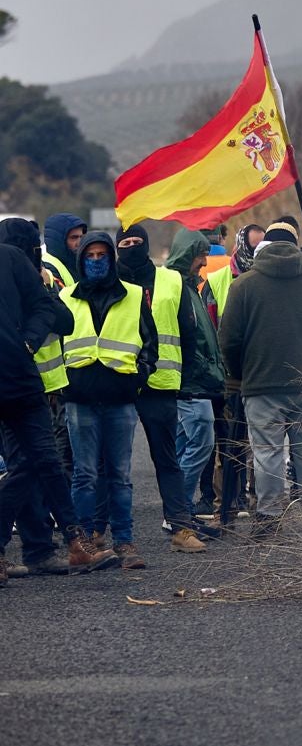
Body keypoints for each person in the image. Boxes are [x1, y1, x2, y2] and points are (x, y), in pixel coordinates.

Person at [0, 237, 118, 582]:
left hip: (20, 380)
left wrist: (29, 342)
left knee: (47, 461)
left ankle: (75, 542)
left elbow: (44, 306)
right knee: (30, 466)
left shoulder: (9, 259)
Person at [219, 219, 302, 540]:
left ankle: (268, 518)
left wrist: (240, 374)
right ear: (296, 247)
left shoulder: (243, 285)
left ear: (263, 245)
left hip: (261, 384)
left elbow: (228, 340)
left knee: (267, 452)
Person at [59, 232, 158, 569]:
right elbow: (56, 345)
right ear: (81, 260)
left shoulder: (132, 295)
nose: (97, 260)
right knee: (84, 475)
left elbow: (150, 344)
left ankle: (125, 543)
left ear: (111, 260)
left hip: (120, 400)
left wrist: (136, 381)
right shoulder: (66, 297)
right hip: (80, 400)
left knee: (120, 475)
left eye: (103, 255)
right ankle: (84, 542)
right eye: (91, 255)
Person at [114, 224, 213, 552]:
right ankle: (103, 534)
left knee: (167, 460)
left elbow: (188, 332)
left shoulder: (170, 280)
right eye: (125, 242)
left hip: (160, 384)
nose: (131, 246)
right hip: (119, 385)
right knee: (112, 464)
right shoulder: (107, 280)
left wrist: (186, 373)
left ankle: (180, 529)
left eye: (136, 241)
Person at [199, 222, 261, 526]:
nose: (257, 252)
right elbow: (211, 329)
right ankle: (225, 508)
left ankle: (256, 503)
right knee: (229, 446)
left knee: (260, 445)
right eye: (253, 246)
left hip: (260, 372)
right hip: (229, 377)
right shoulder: (220, 280)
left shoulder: (265, 280)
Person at [165, 228, 224, 528]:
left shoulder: (191, 288)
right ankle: (179, 511)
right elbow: (187, 340)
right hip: (190, 384)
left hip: (195, 382)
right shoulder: (176, 288)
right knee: (202, 443)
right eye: (200, 254)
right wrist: (204, 370)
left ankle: (176, 514)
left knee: (184, 447)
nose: (204, 260)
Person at [41, 212, 87, 287]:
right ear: (59, 241)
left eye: (81, 237)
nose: (79, 242)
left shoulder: (80, 261)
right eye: (74, 237)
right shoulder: (47, 267)